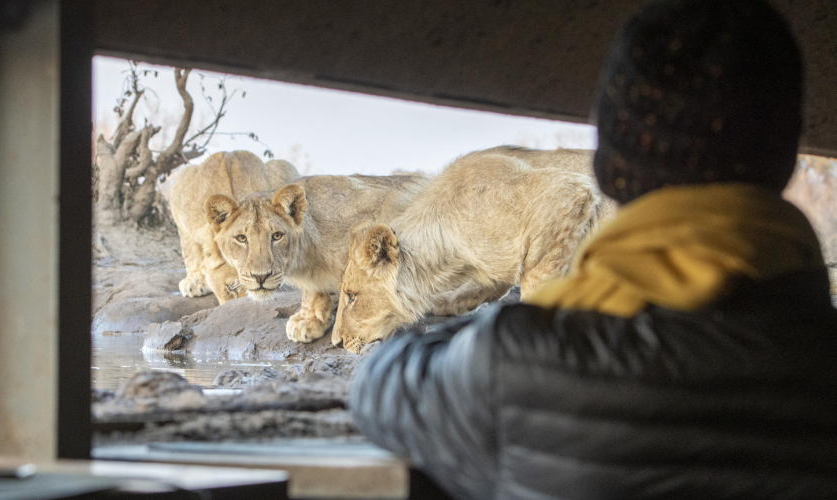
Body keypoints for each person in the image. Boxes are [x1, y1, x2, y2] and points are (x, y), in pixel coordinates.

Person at [346, 0, 837, 498]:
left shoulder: (517, 361)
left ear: (612, 163)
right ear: (786, 148)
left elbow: (379, 384)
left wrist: (492, 320)